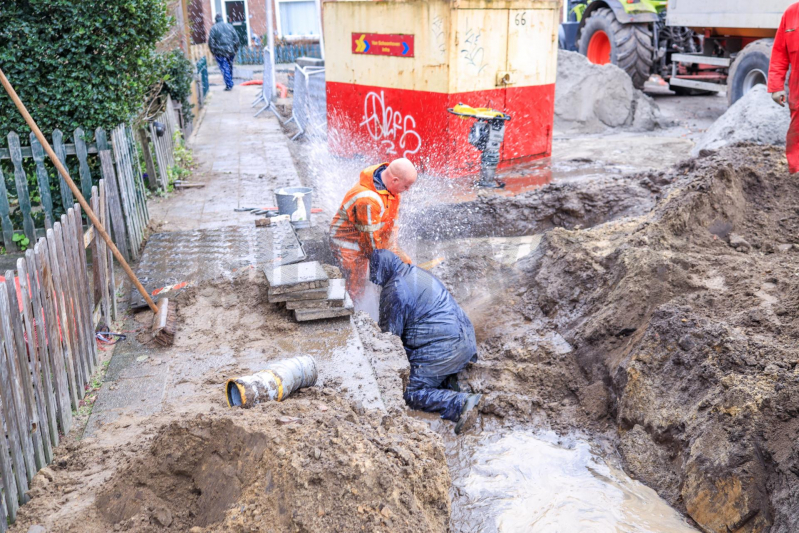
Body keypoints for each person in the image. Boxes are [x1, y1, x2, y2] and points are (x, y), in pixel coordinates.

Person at [369, 249, 482, 434]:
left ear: (380, 271)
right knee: (416, 357)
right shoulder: (416, 272)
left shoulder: (394, 289)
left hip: (445, 348)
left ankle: (460, 403)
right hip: (466, 340)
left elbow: (389, 342)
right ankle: (449, 380)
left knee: (409, 391)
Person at [330, 158, 417, 300]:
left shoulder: (391, 190)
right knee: (355, 285)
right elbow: (370, 241)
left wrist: (395, 254)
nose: (407, 190)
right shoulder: (368, 199)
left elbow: (391, 226)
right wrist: (383, 264)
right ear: (395, 180)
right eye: (406, 186)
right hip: (349, 244)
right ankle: (353, 309)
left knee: (404, 264)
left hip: (370, 239)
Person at [769, 2, 799, 173]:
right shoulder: (791, 13)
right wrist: (776, 86)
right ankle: (797, 173)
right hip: (797, 88)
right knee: (797, 132)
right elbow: (779, 52)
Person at [208, 14, 240, 91]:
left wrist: (213, 52)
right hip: (230, 51)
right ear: (222, 19)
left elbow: (211, 42)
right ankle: (230, 82)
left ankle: (229, 84)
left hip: (220, 52)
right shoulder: (230, 26)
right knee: (229, 67)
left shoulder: (214, 28)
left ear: (216, 20)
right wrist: (234, 49)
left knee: (224, 68)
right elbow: (236, 39)